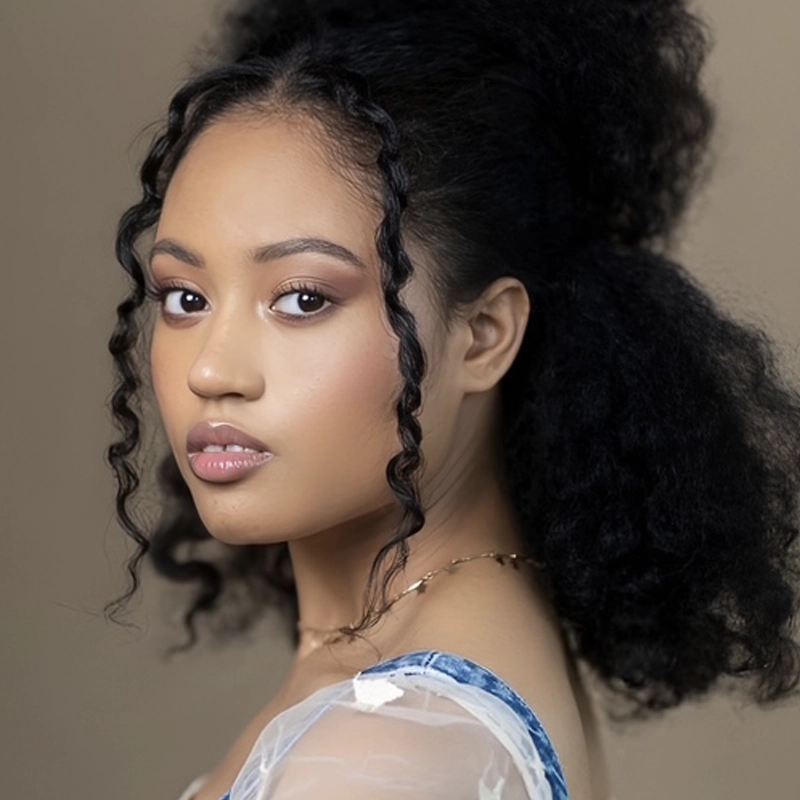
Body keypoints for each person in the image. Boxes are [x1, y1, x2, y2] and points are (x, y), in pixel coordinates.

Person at [106, 1, 800, 798]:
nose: (210, 370)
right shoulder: (424, 666)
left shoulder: (385, 755)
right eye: (184, 297)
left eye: (301, 299)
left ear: (484, 335)